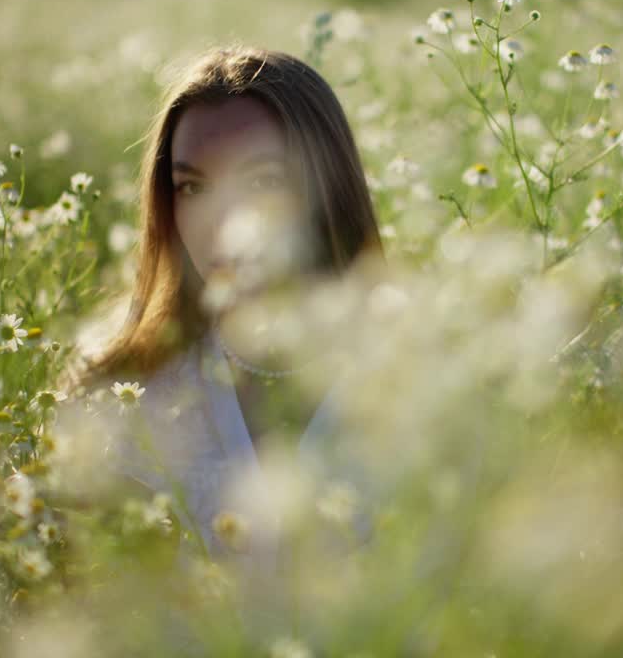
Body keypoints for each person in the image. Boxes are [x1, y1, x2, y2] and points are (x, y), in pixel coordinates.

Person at [62, 44, 392, 646]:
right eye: (192, 187)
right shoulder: (122, 391)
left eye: (263, 180)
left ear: (327, 186)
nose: (223, 219)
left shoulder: (421, 375)